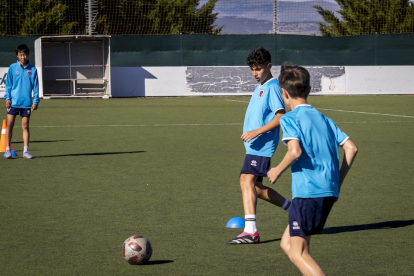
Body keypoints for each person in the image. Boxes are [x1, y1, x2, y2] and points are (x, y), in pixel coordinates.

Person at [267, 63, 358, 275]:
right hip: (327, 191)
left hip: (308, 193)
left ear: (284, 93)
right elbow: (351, 148)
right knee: (288, 245)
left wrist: (276, 170)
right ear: (308, 89)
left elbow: (295, 151)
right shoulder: (324, 118)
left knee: (299, 253)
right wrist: (338, 179)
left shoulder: (289, 119)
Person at [227, 48, 292, 245]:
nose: (255, 73)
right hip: (254, 146)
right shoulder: (260, 86)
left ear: (269, 66)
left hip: (262, 145)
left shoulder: (272, 87)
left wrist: (256, 132)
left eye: (258, 69)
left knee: (245, 180)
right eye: (252, 70)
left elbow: (281, 117)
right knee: (255, 188)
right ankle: (294, 209)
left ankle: (251, 232)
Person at [4, 44, 39, 159]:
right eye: (20, 55)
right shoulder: (12, 68)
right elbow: (8, 85)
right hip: (13, 102)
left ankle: (26, 151)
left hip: (26, 103)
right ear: (17, 55)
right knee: (10, 125)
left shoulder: (33, 69)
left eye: (24, 54)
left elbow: (36, 87)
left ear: (28, 55)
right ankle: (8, 150)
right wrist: (7, 98)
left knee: (25, 126)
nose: (23, 57)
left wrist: (35, 101)